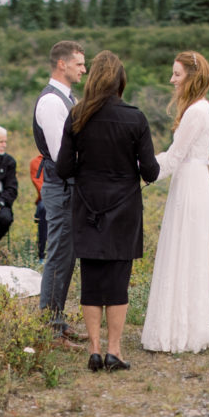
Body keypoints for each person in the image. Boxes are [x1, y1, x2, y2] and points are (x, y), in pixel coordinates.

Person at [56, 51, 159, 371]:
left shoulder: (77, 115)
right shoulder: (135, 117)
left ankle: (94, 350)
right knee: (117, 281)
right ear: (120, 80)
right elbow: (151, 172)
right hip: (124, 209)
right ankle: (115, 350)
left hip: (87, 207)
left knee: (91, 280)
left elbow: (62, 168)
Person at [142, 50, 209, 354]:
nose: (171, 80)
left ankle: (180, 331)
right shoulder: (201, 109)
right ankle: (187, 325)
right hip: (191, 182)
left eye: (177, 74)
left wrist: (138, 173)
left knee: (185, 253)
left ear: (191, 77)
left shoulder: (197, 112)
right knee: (187, 253)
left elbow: (173, 158)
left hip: (190, 185)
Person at [33, 40, 88, 344]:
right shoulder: (53, 102)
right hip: (60, 185)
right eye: (79, 63)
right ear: (62, 64)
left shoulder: (66, 98)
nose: (84, 68)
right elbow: (61, 154)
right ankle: (49, 324)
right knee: (59, 253)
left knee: (67, 255)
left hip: (65, 185)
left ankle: (57, 318)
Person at [30, 154, 47, 262]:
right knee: (45, 208)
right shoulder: (37, 162)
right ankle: (42, 254)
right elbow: (41, 188)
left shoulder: (66, 157)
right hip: (46, 199)